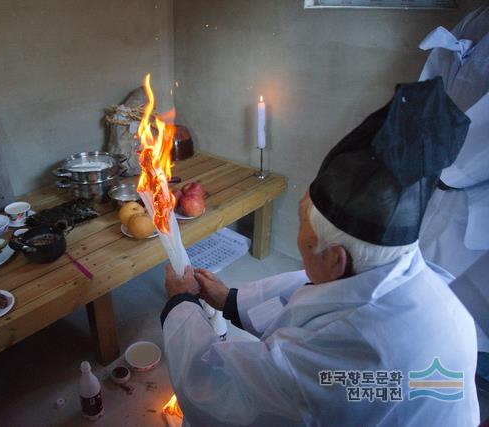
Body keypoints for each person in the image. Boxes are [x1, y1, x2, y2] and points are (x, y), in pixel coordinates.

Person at [160, 78, 479, 426]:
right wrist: (230, 300)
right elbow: (310, 295)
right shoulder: (407, 274)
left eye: (302, 226)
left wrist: (180, 305)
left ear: (335, 258)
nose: (300, 236)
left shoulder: (349, 362)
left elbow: (220, 392)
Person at [417, 6, 489, 360]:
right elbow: (432, 82)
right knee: (424, 287)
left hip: (472, 189)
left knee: (463, 312)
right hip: (437, 174)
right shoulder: (476, 16)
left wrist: (440, 165)